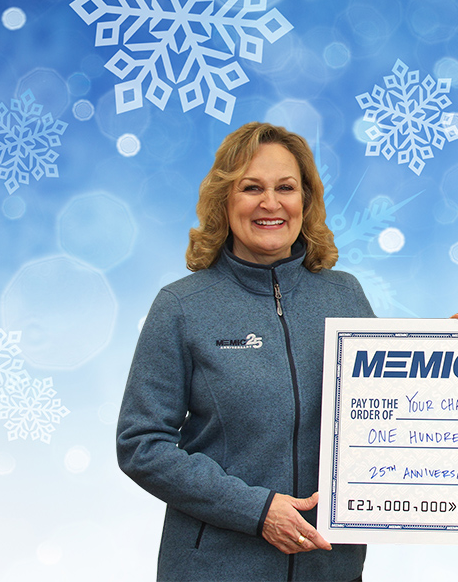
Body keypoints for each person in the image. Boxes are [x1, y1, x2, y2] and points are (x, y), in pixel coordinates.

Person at [117, 122, 374, 581]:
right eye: (251, 187)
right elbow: (141, 445)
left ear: (306, 200)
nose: (270, 203)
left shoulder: (345, 296)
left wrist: (450, 358)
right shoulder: (181, 307)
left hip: (329, 567)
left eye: (286, 188)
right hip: (216, 567)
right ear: (224, 201)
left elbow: (380, 415)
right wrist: (257, 511)